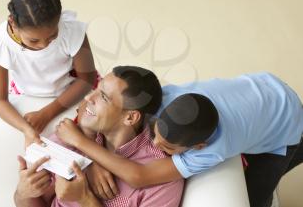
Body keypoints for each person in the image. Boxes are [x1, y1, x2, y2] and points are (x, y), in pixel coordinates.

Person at [59, 72, 303, 207]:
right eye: (155, 134)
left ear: (197, 147)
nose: (154, 145)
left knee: (257, 199)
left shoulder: (211, 150)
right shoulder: (164, 100)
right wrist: (92, 161)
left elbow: (139, 176)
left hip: (285, 121)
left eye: (167, 147)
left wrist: (83, 146)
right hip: (263, 85)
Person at [14, 66, 184, 207]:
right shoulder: (71, 137)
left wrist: (84, 199)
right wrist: (25, 193)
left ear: (130, 117)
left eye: (103, 97)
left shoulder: (161, 180)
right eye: (97, 88)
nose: (88, 97)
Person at [0, 0, 97, 146]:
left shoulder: (71, 31)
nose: (44, 45)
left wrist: (46, 114)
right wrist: (26, 129)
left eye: (52, 36)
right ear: (12, 23)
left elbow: (86, 79)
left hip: (73, 89)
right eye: (34, 40)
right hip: (26, 94)